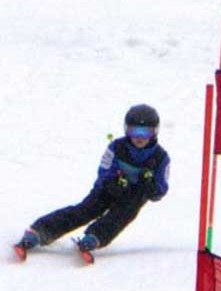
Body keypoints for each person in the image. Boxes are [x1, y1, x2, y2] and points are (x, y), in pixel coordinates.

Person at [14, 105, 170, 260]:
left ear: (155, 132)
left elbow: (161, 188)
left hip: (132, 197)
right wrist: (110, 183)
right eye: (134, 131)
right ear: (126, 130)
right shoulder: (117, 147)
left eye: (145, 132)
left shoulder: (160, 157)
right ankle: (41, 231)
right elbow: (104, 170)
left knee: (121, 216)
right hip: (108, 190)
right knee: (87, 209)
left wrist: (150, 188)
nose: (139, 137)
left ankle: (94, 237)